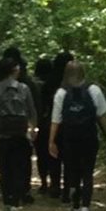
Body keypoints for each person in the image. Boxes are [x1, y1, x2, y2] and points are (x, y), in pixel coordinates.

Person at [49, 60, 106, 211]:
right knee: (87, 172)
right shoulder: (93, 90)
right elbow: (103, 114)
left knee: (72, 171)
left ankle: (75, 206)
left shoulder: (61, 93)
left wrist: (51, 141)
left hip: (69, 139)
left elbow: (56, 119)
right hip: (89, 137)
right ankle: (85, 208)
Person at [0, 55, 37, 211]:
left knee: (4, 167)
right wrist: (33, 129)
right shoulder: (24, 88)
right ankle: (15, 202)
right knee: (18, 167)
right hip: (20, 133)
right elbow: (31, 111)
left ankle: (7, 202)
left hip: (2, 133)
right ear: (15, 70)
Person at [46, 50, 74, 199]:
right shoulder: (75, 81)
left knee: (54, 155)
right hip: (73, 123)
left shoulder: (51, 79)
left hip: (52, 122)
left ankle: (55, 184)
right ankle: (68, 187)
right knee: (70, 156)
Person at [33, 55, 54, 193]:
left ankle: (44, 182)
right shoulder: (55, 84)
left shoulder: (34, 84)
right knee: (53, 154)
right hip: (53, 123)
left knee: (41, 154)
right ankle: (54, 182)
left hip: (39, 122)